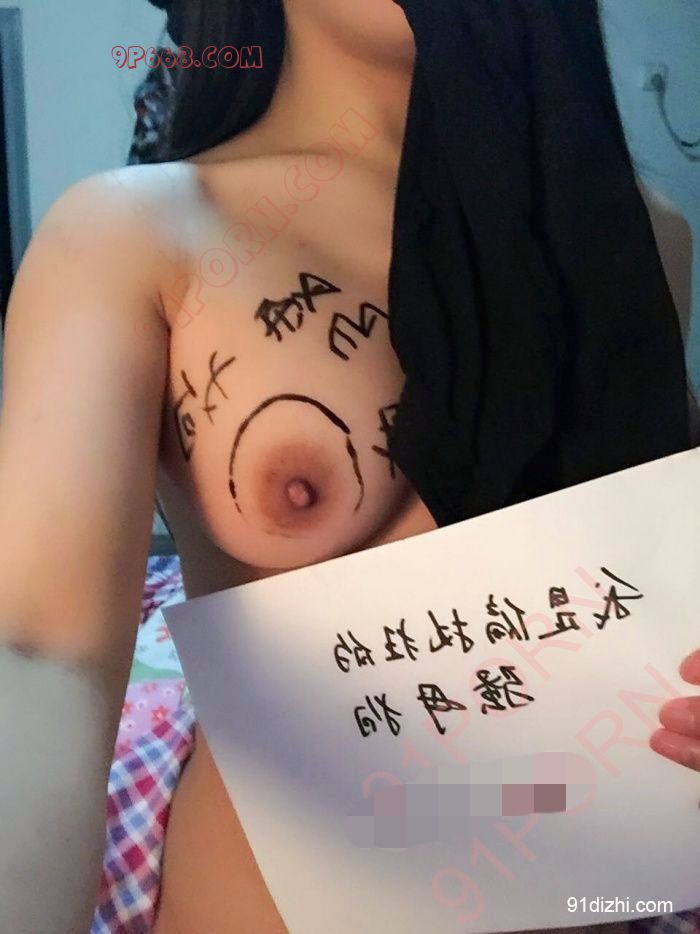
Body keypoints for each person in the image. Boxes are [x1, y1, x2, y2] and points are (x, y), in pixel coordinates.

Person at [0, 1, 698, 932]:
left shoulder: (644, 235)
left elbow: (650, 563)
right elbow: (41, 657)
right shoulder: (140, 231)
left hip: (586, 889)